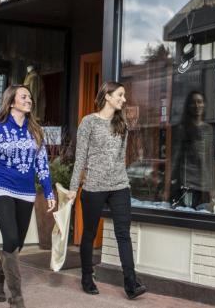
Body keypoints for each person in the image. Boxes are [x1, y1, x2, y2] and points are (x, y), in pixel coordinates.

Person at [0, 85, 56, 307]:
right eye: (24, 96)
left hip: (26, 192)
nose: (29, 100)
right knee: (10, 238)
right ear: (11, 102)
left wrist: (48, 192)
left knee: (16, 243)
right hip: (2, 187)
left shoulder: (35, 131)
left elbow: (42, 165)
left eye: (30, 97)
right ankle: (16, 297)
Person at [67, 81, 147, 299]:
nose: (124, 99)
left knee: (123, 234)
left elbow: (121, 159)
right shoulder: (89, 122)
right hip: (93, 187)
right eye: (120, 95)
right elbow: (80, 158)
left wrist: (124, 180)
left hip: (120, 186)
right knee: (90, 234)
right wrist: (74, 188)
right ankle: (86, 276)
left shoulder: (123, 125)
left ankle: (131, 284)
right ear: (107, 96)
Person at [170, 91, 215, 210]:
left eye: (200, 102)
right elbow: (175, 158)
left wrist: (212, 186)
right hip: (187, 185)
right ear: (188, 106)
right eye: (193, 103)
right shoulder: (183, 128)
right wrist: (170, 184)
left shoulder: (208, 129)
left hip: (204, 185)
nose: (197, 106)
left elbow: (209, 160)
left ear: (204, 104)